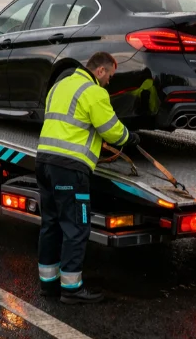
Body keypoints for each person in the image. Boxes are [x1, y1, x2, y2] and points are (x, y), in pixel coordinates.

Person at [35, 52, 140, 304]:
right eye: (110, 77)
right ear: (100, 71)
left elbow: (70, 124)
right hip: (70, 169)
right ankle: (71, 289)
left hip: (44, 161)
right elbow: (111, 129)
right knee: (76, 227)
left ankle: (49, 284)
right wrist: (130, 138)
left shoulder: (60, 85)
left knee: (51, 223)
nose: (108, 83)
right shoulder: (93, 91)